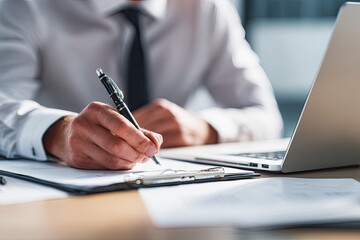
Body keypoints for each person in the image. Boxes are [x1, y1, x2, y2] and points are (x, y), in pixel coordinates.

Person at [0, 0, 283, 170]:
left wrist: (204, 129)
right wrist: (57, 133)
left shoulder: (208, 9)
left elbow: (266, 116)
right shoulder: (26, 6)